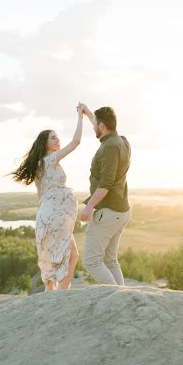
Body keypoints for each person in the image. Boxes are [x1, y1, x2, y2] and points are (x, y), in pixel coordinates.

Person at [11, 104, 83, 291]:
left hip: (46, 216)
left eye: (58, 136)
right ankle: (61, 297)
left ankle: (52, 295)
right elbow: (76, 142)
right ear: (45, 143)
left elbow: (42, 195)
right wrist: (81, 117)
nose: (58, 139)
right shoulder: (51, 160)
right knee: (71, 255)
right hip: (56, 216)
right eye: (54, 137)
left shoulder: (38, 166)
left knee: (53, 260)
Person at [79, 104, 131, 285]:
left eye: (95, 125)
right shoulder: (122, 142)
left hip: (108, 212)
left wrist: (89, 206)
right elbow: (102, 125)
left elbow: (106, 183)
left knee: (91, 261)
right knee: (110, 260)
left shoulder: (109, 147)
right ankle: (122, 299)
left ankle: (116, 299)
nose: (93, 127)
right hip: (121, 211)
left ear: (101, 126)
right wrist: (87, 113)